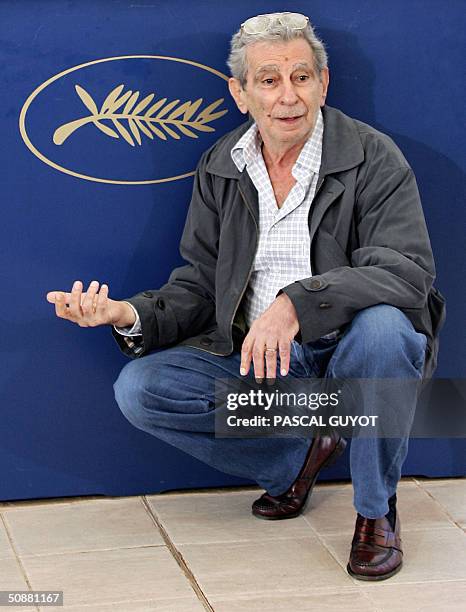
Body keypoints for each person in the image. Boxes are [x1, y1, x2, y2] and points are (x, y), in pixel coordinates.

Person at [46, 12, 446, 580]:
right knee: (142, 389)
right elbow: (199, 284)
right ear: (240, 93)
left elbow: (407, 273)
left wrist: (296, 303)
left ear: (323, 83)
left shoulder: (373, 157)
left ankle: (375, 512)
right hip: (259, 362)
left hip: (350, 355)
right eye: (269, 80)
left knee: (385, 329)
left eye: (302, 77)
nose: (289, 96)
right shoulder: (221, 165)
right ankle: (295, 459)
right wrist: (127, 313)